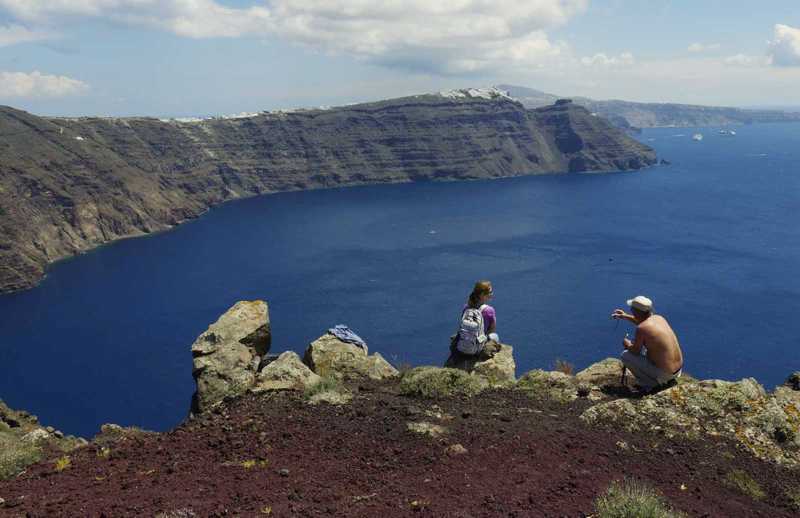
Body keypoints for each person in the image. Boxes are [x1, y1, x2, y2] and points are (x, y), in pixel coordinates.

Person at [611, 295, 684, 393]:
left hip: (665, 374)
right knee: (647, 348)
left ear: (636, 311)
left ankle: (650, 385)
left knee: (625, 355)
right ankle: (661, 379)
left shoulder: (641, 328)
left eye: (632, 309)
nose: (631, 310)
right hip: (677, 371)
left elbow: (635, 351)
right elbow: (643, 322)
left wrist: (627, 344)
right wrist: (624, 316)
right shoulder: (659, 318)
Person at [445, 280, 500, 369]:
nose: (492, 294)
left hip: (463, 346)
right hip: (478, 347)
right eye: (490, 292)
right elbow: (492, 330)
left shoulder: (466, 307)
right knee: (495, 336)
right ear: (482, 294)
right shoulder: (489, 310)